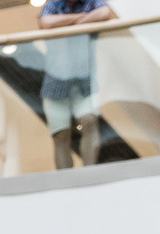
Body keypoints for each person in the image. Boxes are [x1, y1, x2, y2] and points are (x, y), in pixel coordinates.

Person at [38, 0, 114, 168]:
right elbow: (46, 23)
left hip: (84, 80)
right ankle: (67, 179)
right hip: (55, 82)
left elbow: (105, 13)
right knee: (60, 135)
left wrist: (69, 24)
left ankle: (89, 171)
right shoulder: (54, 5)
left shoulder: (92, 2)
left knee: (89, 121)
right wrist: (82, 18)